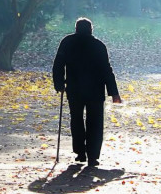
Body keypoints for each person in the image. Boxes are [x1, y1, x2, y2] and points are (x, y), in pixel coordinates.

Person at [52, 17, 122, 167]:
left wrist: (59, 84)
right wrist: (114, 93)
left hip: (74, 88)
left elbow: (58, 64)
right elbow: (106, 70)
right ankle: (93, 156)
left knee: (76, 120)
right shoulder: (98, 45)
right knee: (95, 122)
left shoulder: (67, 42)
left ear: (76, 28)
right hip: (95, 90)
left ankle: (80, 152)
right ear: (91, 29)